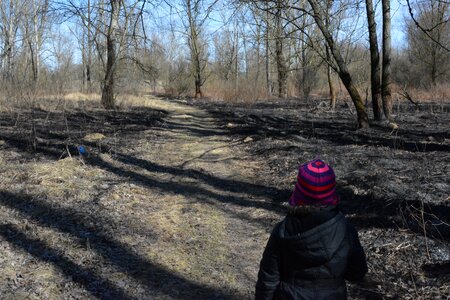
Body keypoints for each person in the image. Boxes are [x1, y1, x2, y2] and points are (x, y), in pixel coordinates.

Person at [255, 159, 367, 300]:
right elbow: (357, 273)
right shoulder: (346, 230)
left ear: (299, 192)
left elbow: (268, 279)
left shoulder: (283, 230)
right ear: (332, 192)